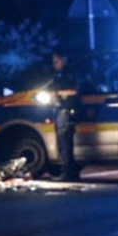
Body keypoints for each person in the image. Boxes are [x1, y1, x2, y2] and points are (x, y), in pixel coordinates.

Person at [50, 50, 82, 180]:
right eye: (53, 61)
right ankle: (72, 172)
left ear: (64, 59)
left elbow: (74, 91)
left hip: (66, 111)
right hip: (62, 110)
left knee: (64, 143)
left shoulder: (69, 74)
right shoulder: (59, 75)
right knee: (64, 142)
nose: (55, 63)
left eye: (57, 60)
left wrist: (57, 94)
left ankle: (67, 173)